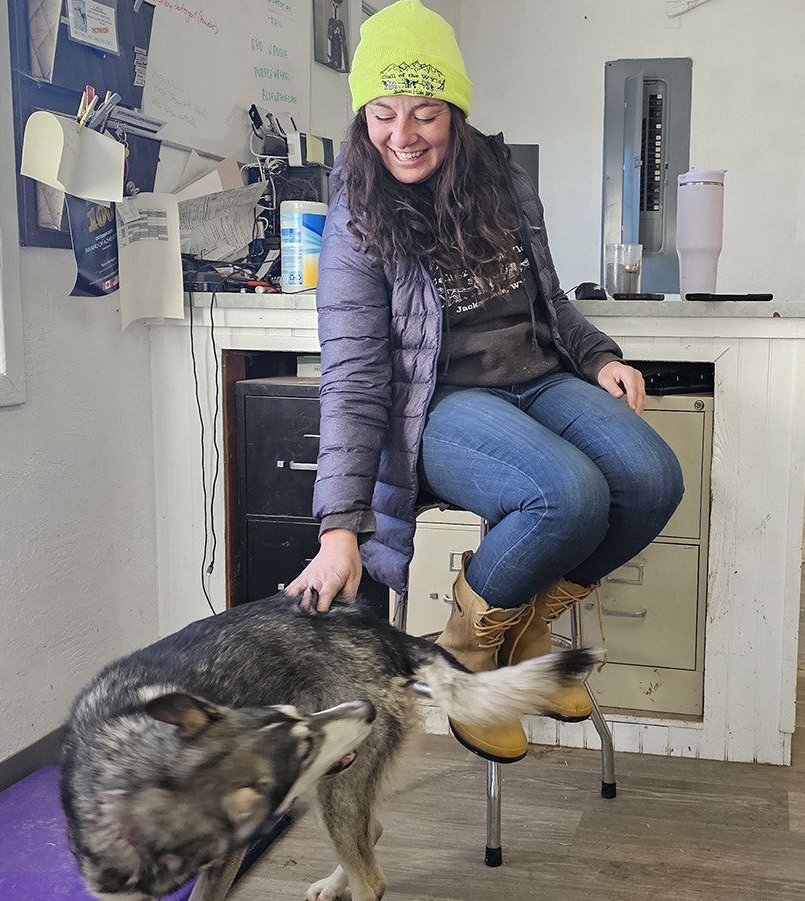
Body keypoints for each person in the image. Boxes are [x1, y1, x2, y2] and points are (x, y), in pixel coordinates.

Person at [283, 0, 684, 766]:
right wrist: (340, 526)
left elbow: (552, 301)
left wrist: (599, 355)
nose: (402, 135)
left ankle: (525, 622)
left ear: (456, 110)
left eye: (425, 112)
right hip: (442, 410)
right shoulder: (356, 219)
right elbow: (355, 379)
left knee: (652, 476)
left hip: (539, 378)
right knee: (570, 495)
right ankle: (467, 652)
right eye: (382, 114)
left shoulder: (503, 178)